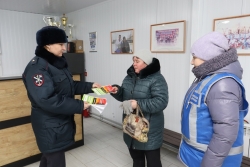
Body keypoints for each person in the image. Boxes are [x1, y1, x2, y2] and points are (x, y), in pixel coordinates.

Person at [22, 26, 101, 167]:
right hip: (49, 126)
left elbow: (69, 86)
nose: (64, 48)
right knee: (55, 161)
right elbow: (47, 99)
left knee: (48, 158)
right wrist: (79, 105)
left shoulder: (56, 63)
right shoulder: (37, 68)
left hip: (57, 124)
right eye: (60, 44)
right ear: (47, 45)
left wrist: (90, 86)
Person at [178, 32, 249, 167]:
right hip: (196, 156)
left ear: (208, 58)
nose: (192, 62)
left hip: (211, 161)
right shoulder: (208, 78)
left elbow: (225, 134)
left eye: (194, 57)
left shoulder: (223, 84)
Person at [110, 50, 169, 167]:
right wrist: (117, 91)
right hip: (131, 126)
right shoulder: (129, 77)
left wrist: (138, 104)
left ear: (146, 63)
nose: (134, 64)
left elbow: (161, 102)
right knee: (137, 160)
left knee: (153, 163)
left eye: (137, 61)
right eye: (133, 61)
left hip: (149, 130)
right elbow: (125, 97)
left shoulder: (157, 79)